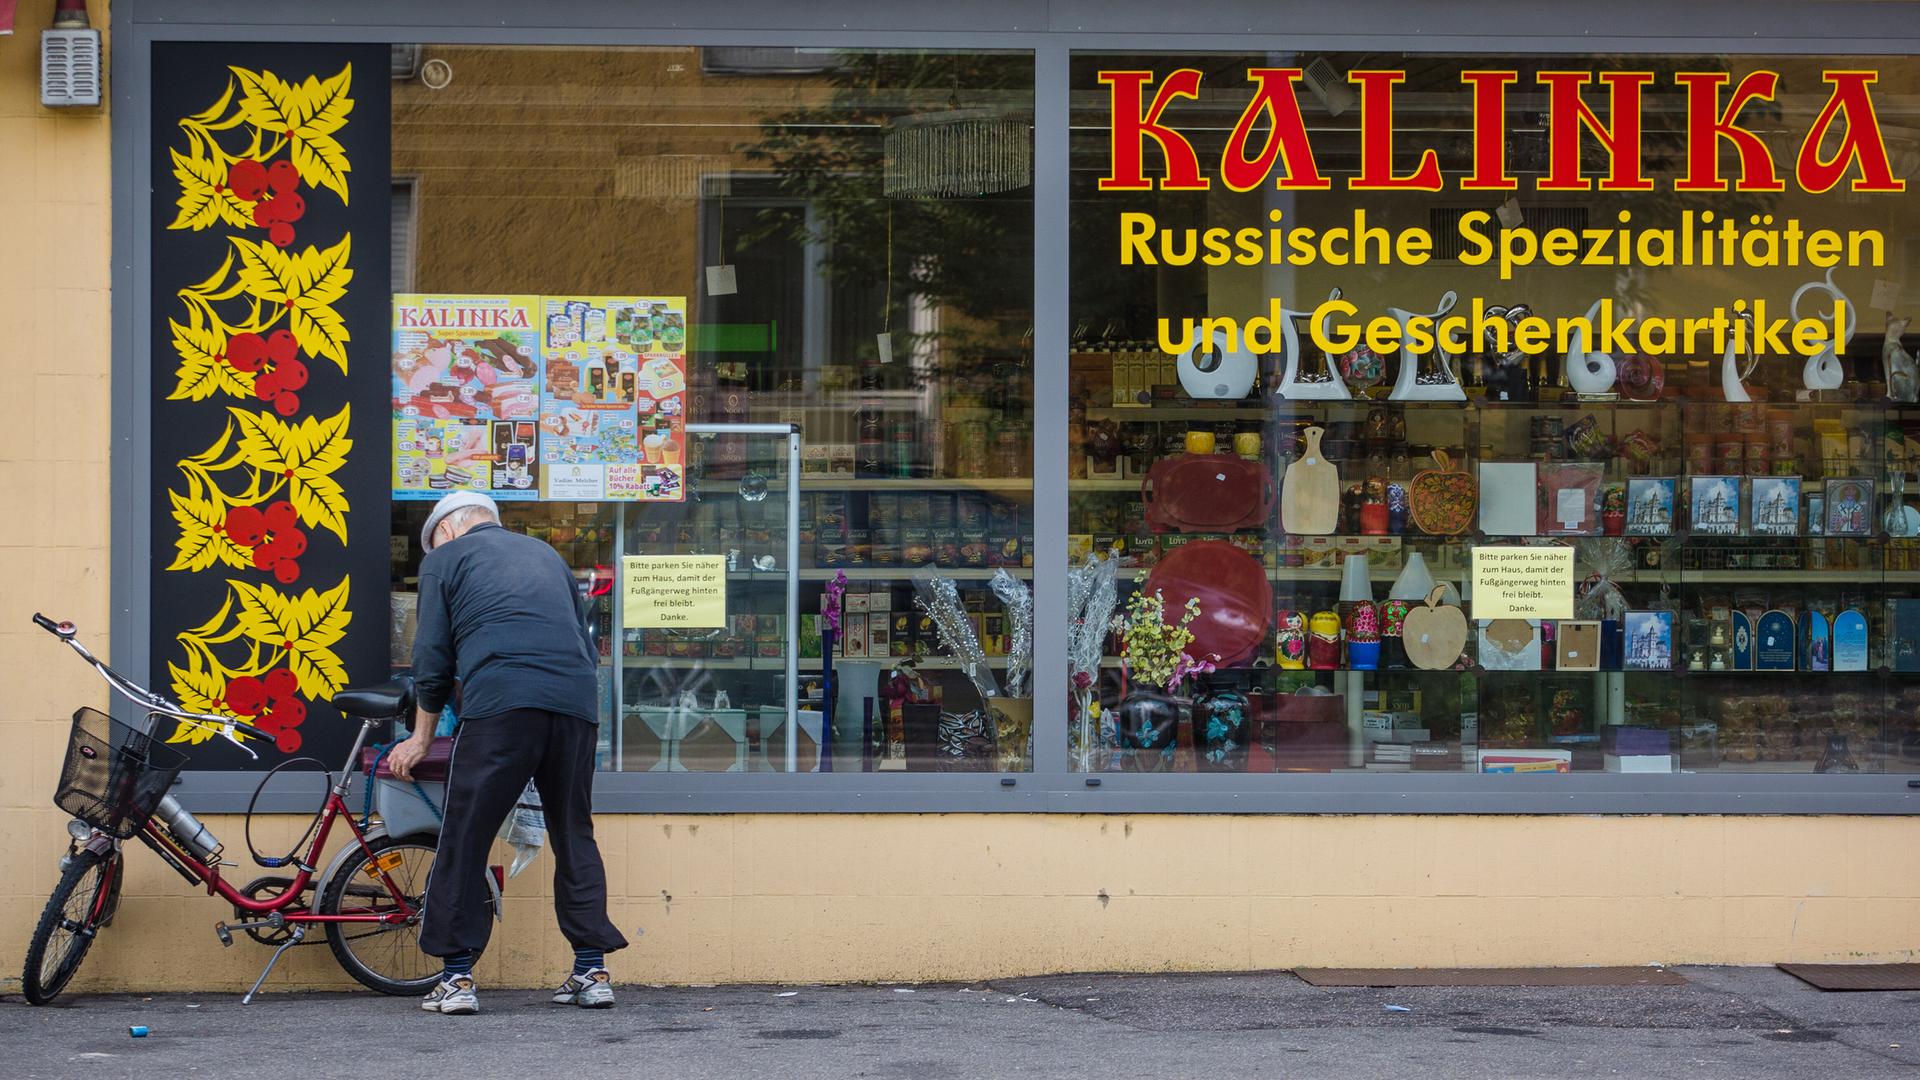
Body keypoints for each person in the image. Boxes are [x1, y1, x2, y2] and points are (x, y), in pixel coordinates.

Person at [388, 491, 627, 1015]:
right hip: (574, 705)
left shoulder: (446, 558)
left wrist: (421, 737)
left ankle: (455, 979)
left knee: (466, 835)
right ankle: (591, 971)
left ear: (446, 530)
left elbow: (431, 657)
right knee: (574, 832)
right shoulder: (546, 555)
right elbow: (584, 644)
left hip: (501, 705)